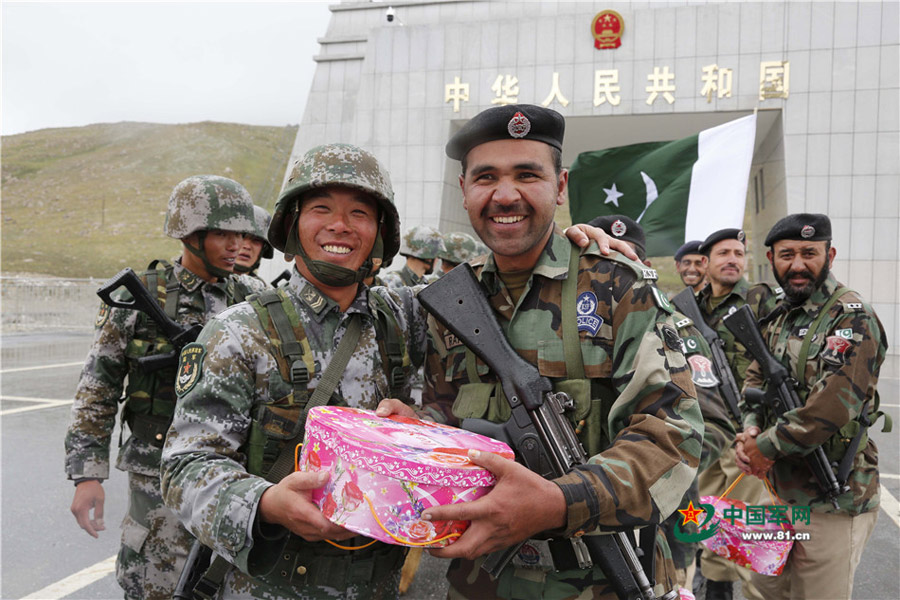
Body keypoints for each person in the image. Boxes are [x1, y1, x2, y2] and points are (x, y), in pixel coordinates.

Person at [383, 104, 703, 599]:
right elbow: (449, 417)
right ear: (464, 190)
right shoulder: (449, 302)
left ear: (559, 186)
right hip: (479, 581)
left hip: (599, 581)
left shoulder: (618, 287)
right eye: (486, 177)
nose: (505, 195)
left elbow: (673, 440)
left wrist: (557, 502)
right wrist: (418, 432)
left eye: (527, 174)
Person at [160, 143, 428, 599]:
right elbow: (185, 469)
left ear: (379, 233)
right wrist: (264, 503)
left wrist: (580, 250)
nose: (340, 225)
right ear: (292, 225)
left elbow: (492, 293)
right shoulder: (239, 332)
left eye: (360, 213)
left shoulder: (404, 316)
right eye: (321, 208)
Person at [65, 175, 256, 600]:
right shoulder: (140, 299)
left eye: (241, 233)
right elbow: (97, 387)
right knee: (157, 584)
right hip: (157, 472)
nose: (236, 244)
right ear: (190, 233)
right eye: (223, 233)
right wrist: (86, 475)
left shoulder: (252, 298)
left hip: (235, 470)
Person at [736, 214, 888, 600]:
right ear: (771, 258)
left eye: (809, 253)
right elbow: (754, 378)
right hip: (774, 490)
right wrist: (751, 428)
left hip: (832, 500)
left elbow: (832, 406)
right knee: (765, 591)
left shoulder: (851, 317)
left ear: (830, 255)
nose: (798, 264)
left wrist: (763, 448)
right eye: (787, 254)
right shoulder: (780, 315)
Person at [591, 215, 736, 593]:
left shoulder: (678, 331)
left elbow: (718, 425)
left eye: (627, 260)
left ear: (645, 266)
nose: (613, 272)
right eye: (602, 259)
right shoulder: (554, 334)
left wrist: (657, 464)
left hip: (664, 524)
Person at [693, 227, 780, 600]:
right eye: (724, 253)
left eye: (739, 254)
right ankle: (716, 586)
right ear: (704, 263)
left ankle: (752, 590)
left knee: (745, 520)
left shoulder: (760, 299)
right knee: (712, 513)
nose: (733, 260)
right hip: (709, 429)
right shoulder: (690, 306)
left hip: (750, 429)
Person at [381, 224, 446, 288]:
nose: (437, 260)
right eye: (437, 256)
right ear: (428, 258)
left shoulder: (425, 284)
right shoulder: (392, 282)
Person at [234, 204, 274, 293]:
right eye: (242, 236)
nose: (247, 246)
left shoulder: (264, 293)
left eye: (256, 240)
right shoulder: (204, 282)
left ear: (263, 249)